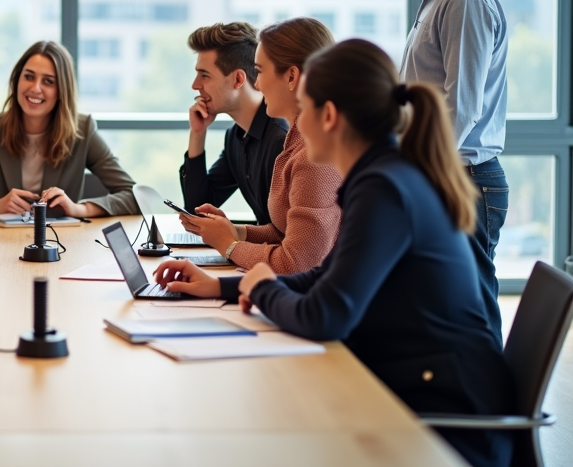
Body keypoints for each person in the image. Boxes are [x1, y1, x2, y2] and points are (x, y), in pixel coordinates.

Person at [155, 39, 515, 467]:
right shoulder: (382, 173)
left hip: (444, 419)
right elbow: (329, 276)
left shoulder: (384, 187)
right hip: (417, 387)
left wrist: (265, 289)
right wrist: (225, 285)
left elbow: (327, 314)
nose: (296, 126)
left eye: (303, 109)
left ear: (328, 116)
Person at [382, 0, 509, 348]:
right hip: (446, 173)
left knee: (471, 309)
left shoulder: (462, 0)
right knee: (444, 304)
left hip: (464, 179)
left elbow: (462, 107)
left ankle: (495, 414)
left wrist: (415, 173)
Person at [178, 18, 340, 273]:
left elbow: (296, 261)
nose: (259, 83)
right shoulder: (294, 141)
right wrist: (235, 232)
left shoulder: (311, 155)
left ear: (291, 77)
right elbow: (282, 231)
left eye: (261, 71)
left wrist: (230, 245)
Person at [0, 40, 137, 217]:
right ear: (16, 81)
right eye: (29, 77)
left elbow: (134, 196)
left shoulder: (82, 131)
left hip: (61, 247)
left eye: (48, 81)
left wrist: (78, 209)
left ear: (61, 91)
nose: (35, 88)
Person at [180, 22, 288, 227]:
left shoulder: (280, 140)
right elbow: (197, 208)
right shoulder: (236, 137)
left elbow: (288, 239)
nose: (195, 85)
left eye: (205, 75)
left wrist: (233, 239)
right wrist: (197, 133)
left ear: (238, 79)